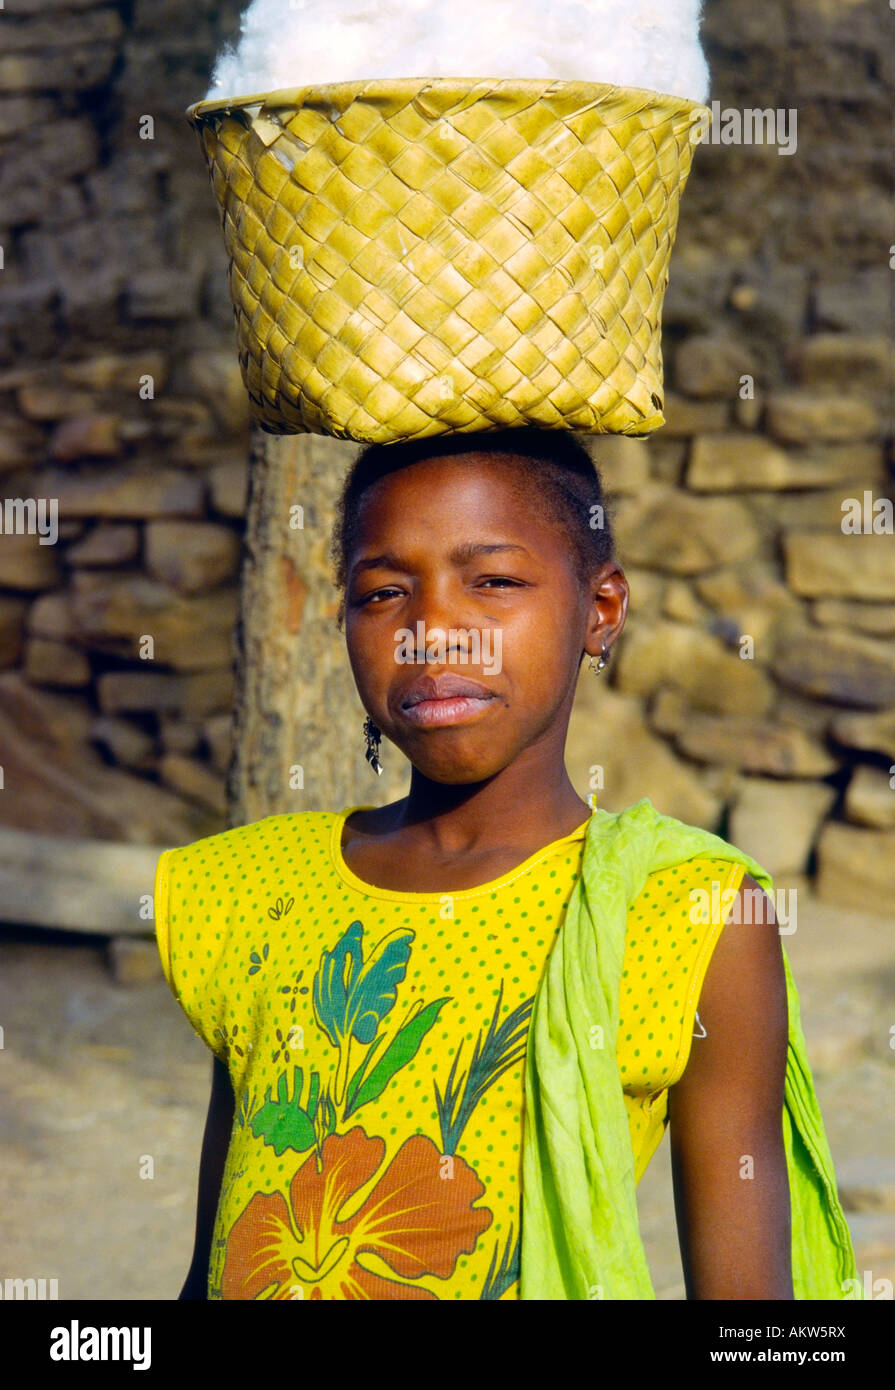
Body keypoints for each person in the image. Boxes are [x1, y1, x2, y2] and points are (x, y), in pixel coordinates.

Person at [154, 427, 849, 1300]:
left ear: (599, 610)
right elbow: (219, 1256)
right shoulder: (257, 886)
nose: (433, 630)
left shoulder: (684, 911)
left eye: (493, 581)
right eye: (382, 592)